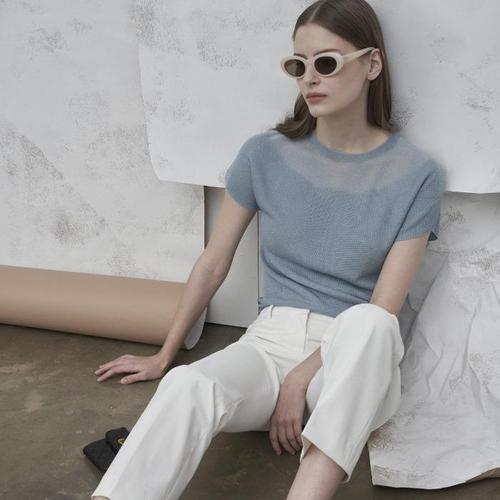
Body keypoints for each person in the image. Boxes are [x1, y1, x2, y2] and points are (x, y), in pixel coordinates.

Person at [91, 0, 445, 498]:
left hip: (350, 361)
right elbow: (213, 263)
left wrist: (301, 379)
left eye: (327, 62)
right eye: (298, 65)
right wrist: (165, 354)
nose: (310, 78)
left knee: (371, 323)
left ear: (372, 64)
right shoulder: (265, 155)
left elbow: (384, 308)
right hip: (268, 343)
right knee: (189, 385)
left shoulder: (416, 173)